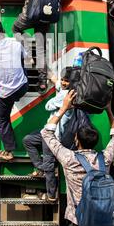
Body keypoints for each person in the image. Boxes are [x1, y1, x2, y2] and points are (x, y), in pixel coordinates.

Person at [41, 90, 114, 226]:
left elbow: (47, 133)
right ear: (94, 142)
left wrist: (63, 109)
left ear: (76, 140)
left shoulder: (69, 159)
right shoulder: (105, 158)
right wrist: (109, 110)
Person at [13, 0, 61, 93]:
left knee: (16, 29)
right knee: (41, 48)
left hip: (29, 12)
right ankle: (41, 82)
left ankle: (27, 55)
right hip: (45, 14)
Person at [23, 67, 73, 202]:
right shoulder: (65, 89)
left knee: (49, 163)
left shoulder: (66, 96)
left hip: (54, 135)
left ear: (72, 82)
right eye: (63, 80)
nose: (63, 83)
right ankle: (40, 168)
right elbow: (56, 81)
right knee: (28, 140)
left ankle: (51, 195)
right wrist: (48, 72)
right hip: (48, 131)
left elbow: (48, 106)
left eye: (66, 81)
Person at [0, 20, 28, 162]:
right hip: (22, 87)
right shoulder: (15, 43)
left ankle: (9, 151)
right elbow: (26, 58)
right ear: (3, 31)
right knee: (20, 59)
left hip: (5, 94)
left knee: (2, 120)